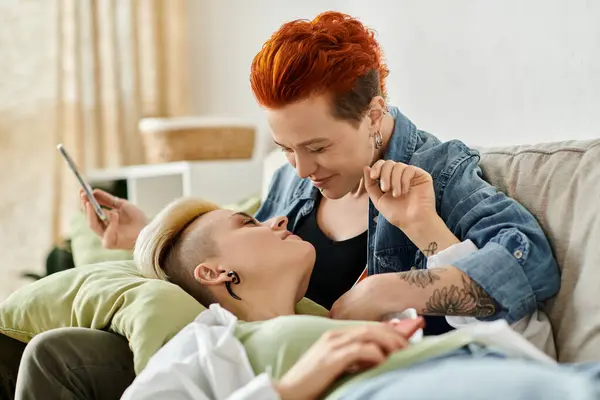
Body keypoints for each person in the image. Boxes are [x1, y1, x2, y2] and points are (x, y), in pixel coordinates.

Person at [6, 10, 562, 399]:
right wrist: (150, 232)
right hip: (260, 364)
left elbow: (528, 260)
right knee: (55, 352)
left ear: (372, 116)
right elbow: (232, 242)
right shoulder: (296, 184)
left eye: (317, 147)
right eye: (285, 149)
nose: (301, 169)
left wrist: (391, 288)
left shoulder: (437, 172)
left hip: (375, 376)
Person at [118, 197, 597, 400]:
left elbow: (533, 347)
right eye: (249, 222)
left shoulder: (365, 319)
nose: (278, 220)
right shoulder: (206, 343)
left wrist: (423, 225)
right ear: (214, 273)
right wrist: (288, 390)